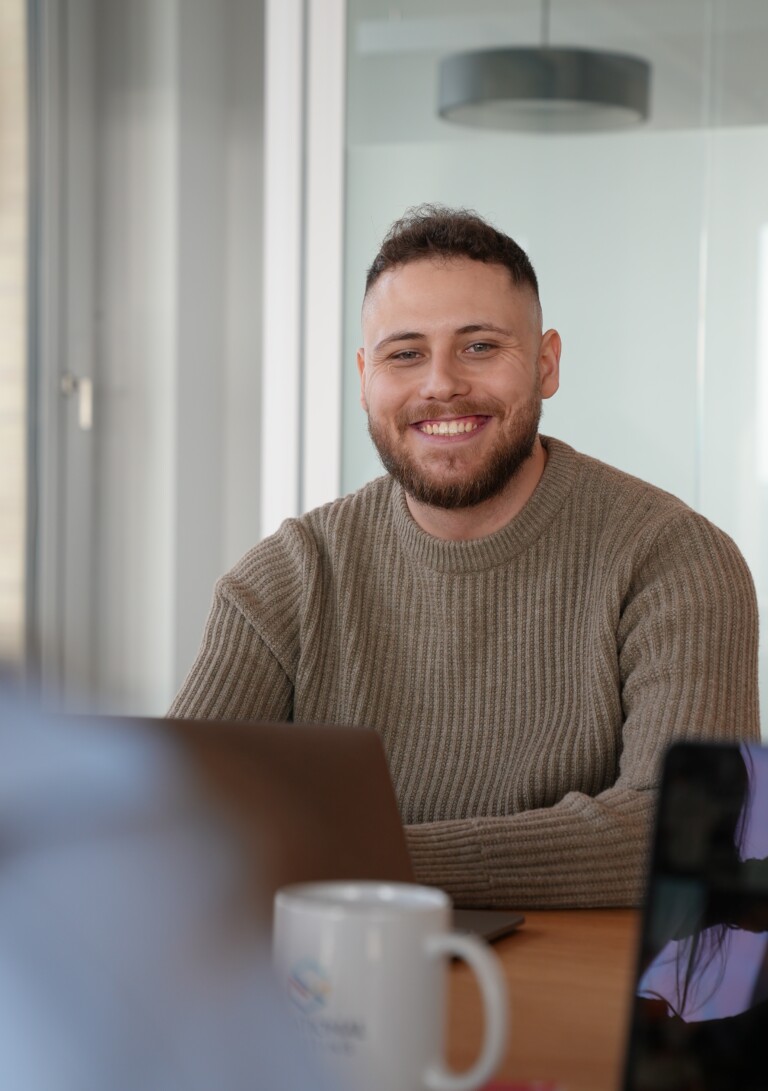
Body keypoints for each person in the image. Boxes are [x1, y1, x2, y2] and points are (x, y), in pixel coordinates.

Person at [169, 205, 760, 909]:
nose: (440, 384)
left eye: (479, 346)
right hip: (335, 986)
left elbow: (696, 836)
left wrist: (361, 859)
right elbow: (169, 825)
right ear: (364, 378)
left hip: (583, 1000)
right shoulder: (287, 578)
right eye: (405, 353)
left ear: (546, 364)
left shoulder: (675, 559)